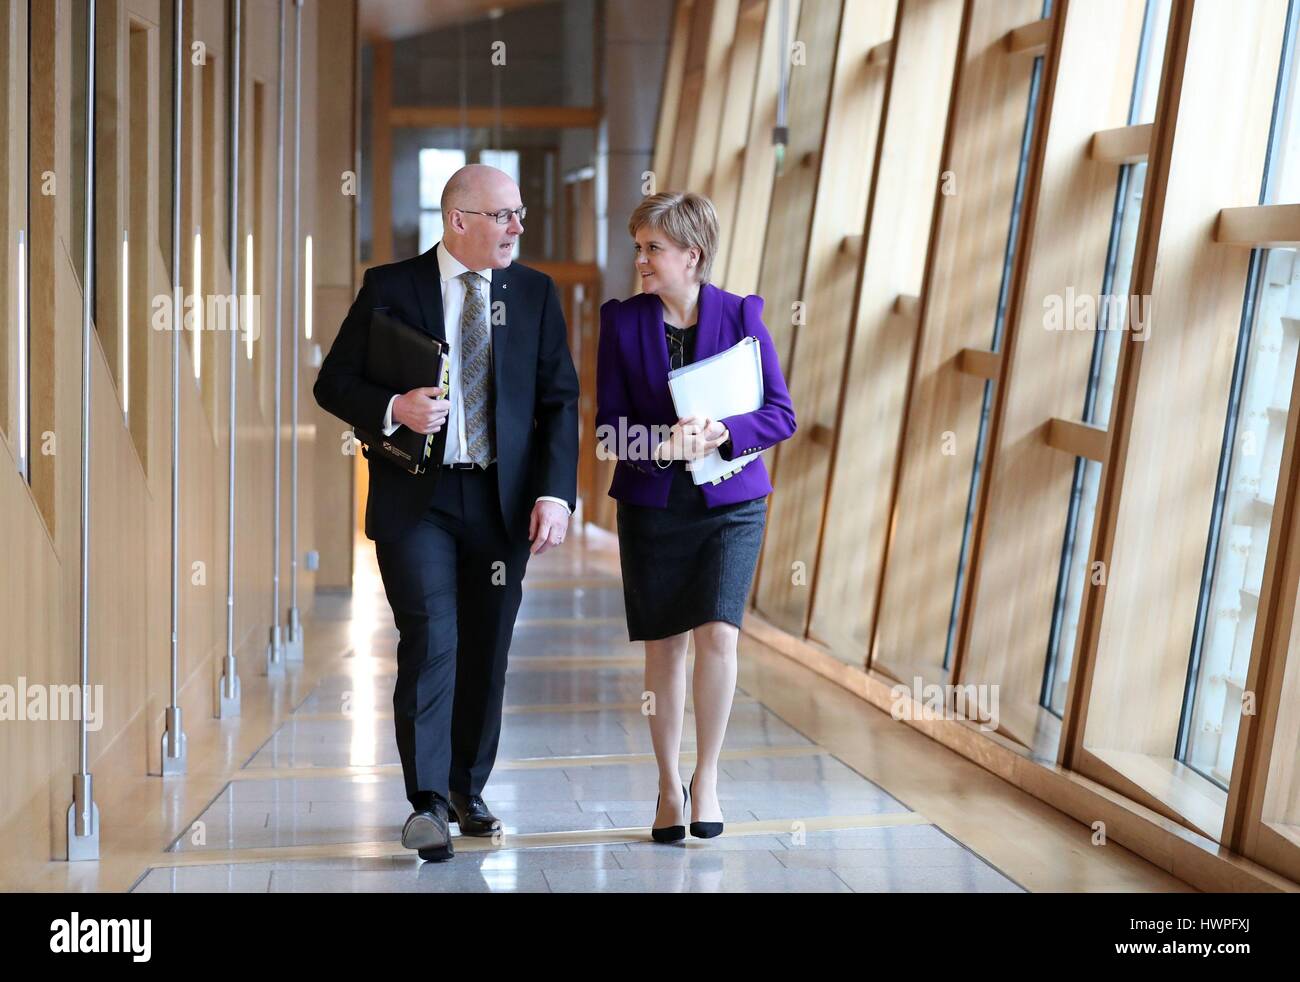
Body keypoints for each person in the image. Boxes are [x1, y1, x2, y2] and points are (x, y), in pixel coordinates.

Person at [314, 164, 579, 862]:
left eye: (520, 213)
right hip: (418, 500)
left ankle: (467, 787)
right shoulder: (391, 288)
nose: (518, 227)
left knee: (486, 650)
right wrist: (392, 407)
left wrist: (555, 494)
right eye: (504, 216)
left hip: (501, 502)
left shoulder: (534, 294)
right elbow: (333, 381)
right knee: (432, 638)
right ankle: (427, 801)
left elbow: (560, 402)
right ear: (459, 220)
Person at [595, 191, 797, 842]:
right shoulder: (622, 324)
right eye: (638, 247)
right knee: (666, 647)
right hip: (654, 504)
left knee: (720, 635)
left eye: (653, 248)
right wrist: (659, 445)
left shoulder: (743, 316)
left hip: (731, 504)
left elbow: (781, 415)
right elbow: (606, 434)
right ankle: (665, 783)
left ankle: (706, 778)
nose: (641, 260)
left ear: (692, 254)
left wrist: (722, 432)